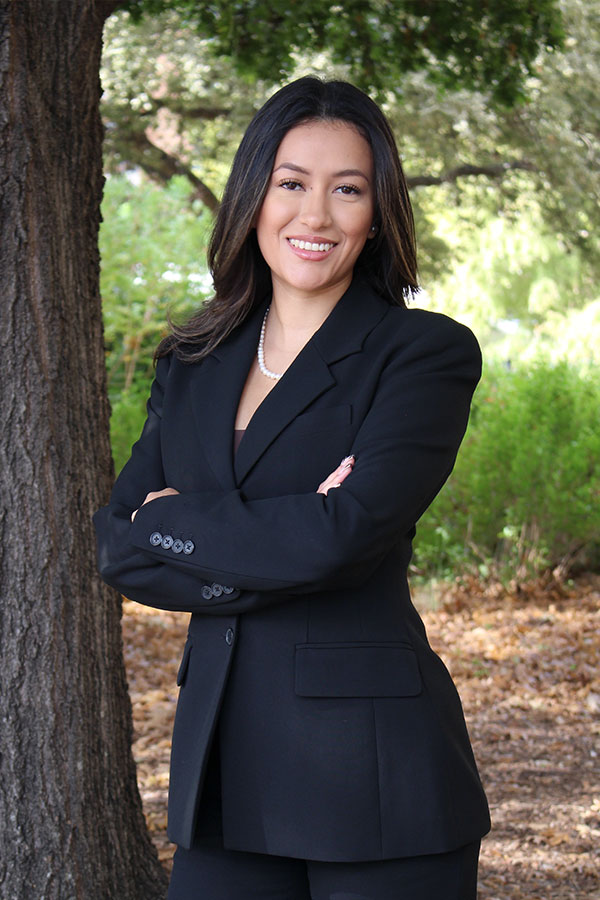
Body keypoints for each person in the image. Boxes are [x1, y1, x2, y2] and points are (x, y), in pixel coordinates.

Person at [94, 76, 490, 900]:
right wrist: (292, 534)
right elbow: (120, 542)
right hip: (223, 772)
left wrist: (188, 520)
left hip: (374, 777)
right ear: (253, 197)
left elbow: (345, 534)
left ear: (377, 212)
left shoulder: (420, 355)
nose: (316, 216)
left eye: (347, 190)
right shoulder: (193, 362)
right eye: (291, 184)